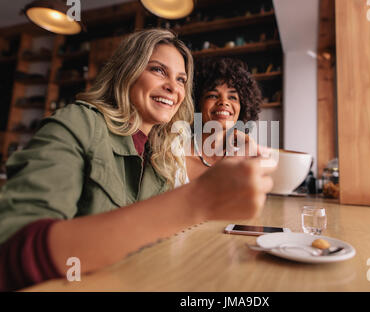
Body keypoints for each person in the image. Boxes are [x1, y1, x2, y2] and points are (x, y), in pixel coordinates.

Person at [0, 29, 275, 291]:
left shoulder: (162, 153)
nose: (172, 87)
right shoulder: (79, 123)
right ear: (126, 71)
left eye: (181, 80)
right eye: (158, 70)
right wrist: (198, 198)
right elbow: (10, 253)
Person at [185, 57, 264, 181]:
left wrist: (251, 147)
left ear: (242, 107)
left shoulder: (246, 158)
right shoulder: (175, 154)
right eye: (213, 95)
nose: (223, 102)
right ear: (197, 103)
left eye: (232, 97)